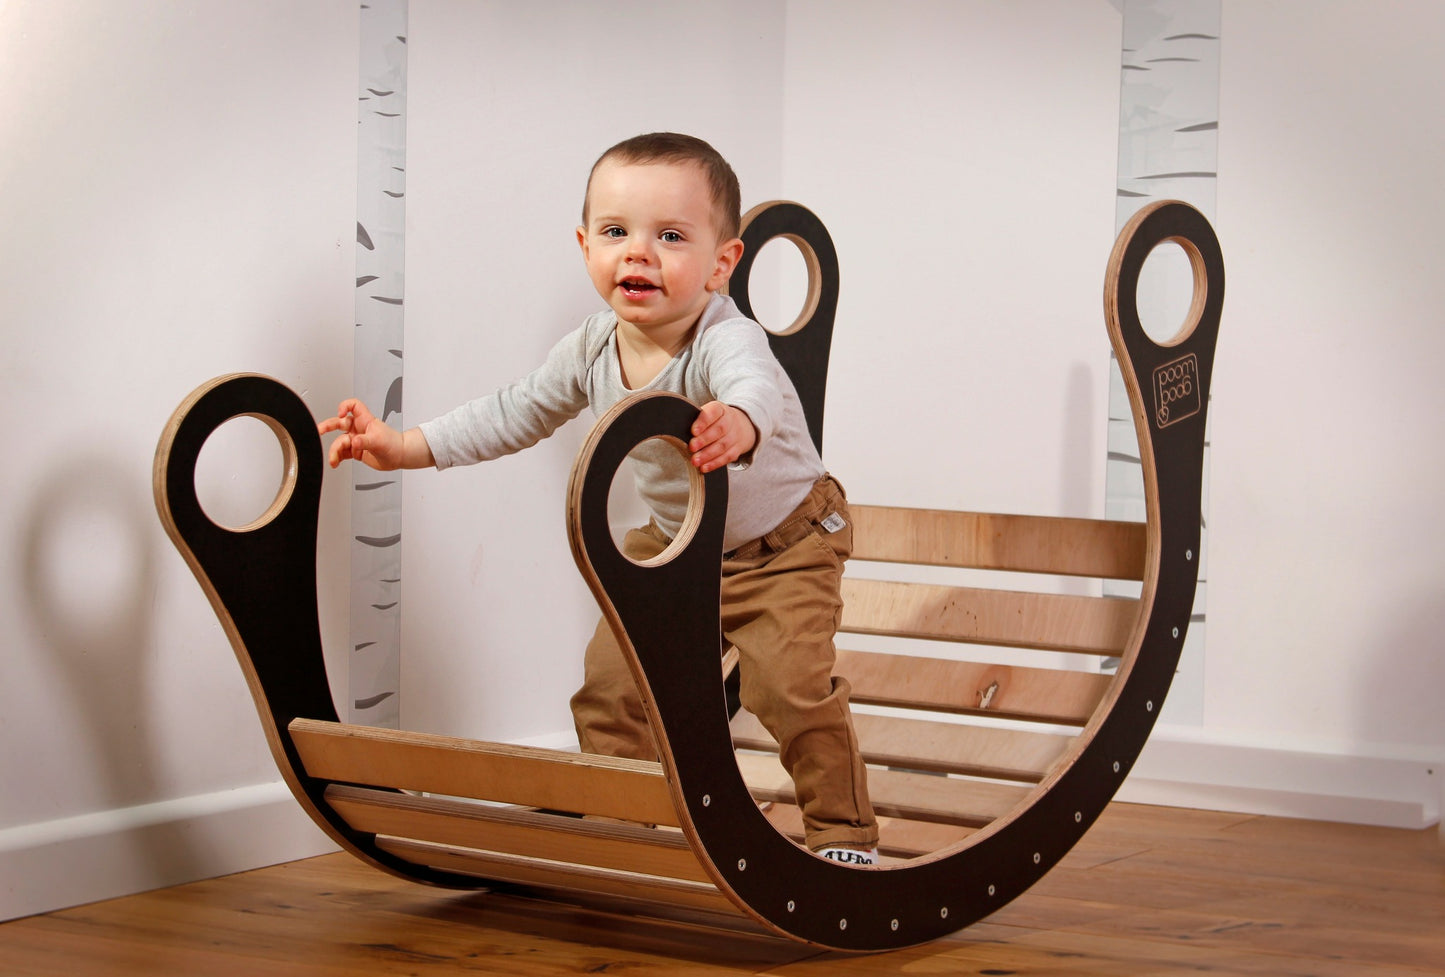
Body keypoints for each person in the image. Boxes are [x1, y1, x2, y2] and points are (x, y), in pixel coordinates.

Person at [318, 132, 878, 864]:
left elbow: (757, 386)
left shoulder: (722, 335)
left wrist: (738, 421)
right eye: (616, 232)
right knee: (612, 691)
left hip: (781, 546)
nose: (637, 253)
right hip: (675, 545)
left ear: (721, 263)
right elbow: (511, 411)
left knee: (790, 689)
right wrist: (404, 446)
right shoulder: (588, 348)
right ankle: (623, 827)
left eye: (669, 236)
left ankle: (842, 834)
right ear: (585, 246)